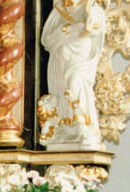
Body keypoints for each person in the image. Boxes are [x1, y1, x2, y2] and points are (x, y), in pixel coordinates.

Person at [40, 0, 106, 149]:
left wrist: (88, 22)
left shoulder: (90, 6)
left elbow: (95, 27)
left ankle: (84, 126)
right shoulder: (59, 9)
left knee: (75, 82)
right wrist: (67, 29)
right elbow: (46, 40)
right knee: (63, 94)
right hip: (60, 61)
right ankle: (69, 128)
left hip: (80, 57)